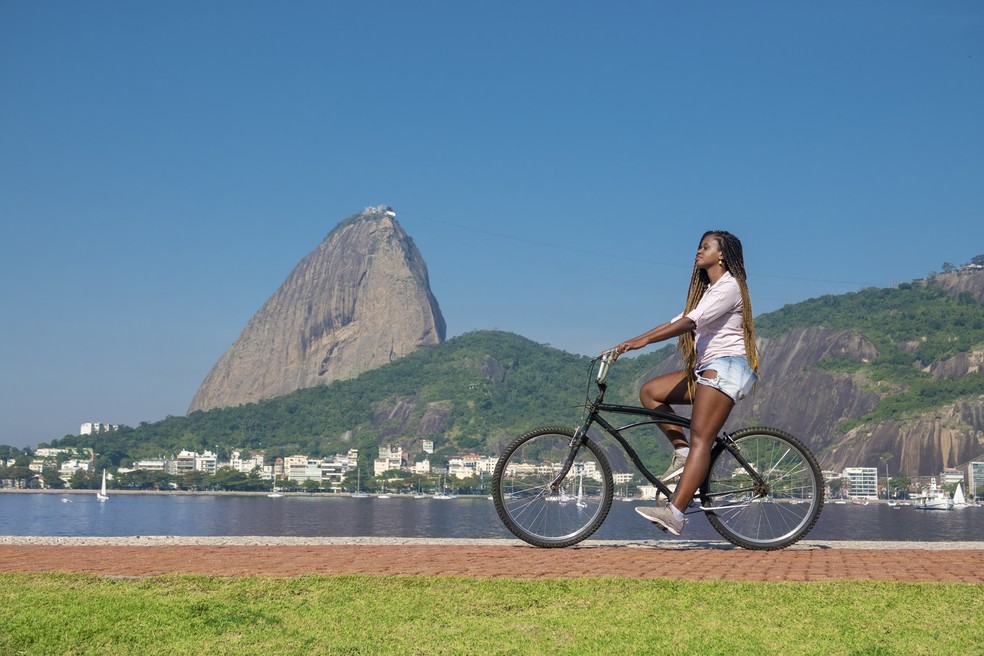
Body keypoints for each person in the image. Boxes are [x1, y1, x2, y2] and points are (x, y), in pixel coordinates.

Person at [609, 230, 759, 535]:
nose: (698, 251)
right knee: (651, 392)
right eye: (698, 246)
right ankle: (681, 450)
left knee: (702, 440)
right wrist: (631, 342)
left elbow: (689, 323)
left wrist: (644, 341)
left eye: (705, 247)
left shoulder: (729, 286)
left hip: (726, 369)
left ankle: (676, 513)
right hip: (708, 369)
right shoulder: (709, 292)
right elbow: (676, 321)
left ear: (722, 255)